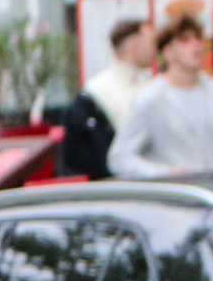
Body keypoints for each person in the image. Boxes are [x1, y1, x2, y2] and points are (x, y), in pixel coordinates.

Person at [110, 14, 213, 179]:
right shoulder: (150, 98)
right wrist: (164, 173)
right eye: (185, 40)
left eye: (198, 38)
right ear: (168, 52)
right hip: (175, 198)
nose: (196, 45)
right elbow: (119, 159)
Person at [60, 18, 155, 179]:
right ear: (134, 47)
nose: (155, 49)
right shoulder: (94, 95)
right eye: (152, 43)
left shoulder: (151, 86)